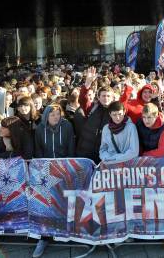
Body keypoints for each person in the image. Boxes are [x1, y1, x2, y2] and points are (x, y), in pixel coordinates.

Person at [32, 104, 76, 258]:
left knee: (64, 202)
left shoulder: (67, 126)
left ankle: (66, 231)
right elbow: (38, 150)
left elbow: (71, 146)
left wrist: (68, 167)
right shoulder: (39, 129)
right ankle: (44, 238)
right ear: (46, 116)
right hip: (46, 171)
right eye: (52, 115)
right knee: (46, 204)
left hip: (63, 168)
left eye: (58, 114)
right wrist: (41, 170)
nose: (56, 117)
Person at [75, 86, 113, 162]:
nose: (106, 98)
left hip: (103, 152)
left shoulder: (114, 111)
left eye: (108, 96)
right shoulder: (92, 107)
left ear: (112, 98)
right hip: (85, 150)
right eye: (103, 96)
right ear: (98, 97)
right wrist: (86, 86)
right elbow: (83, 100)